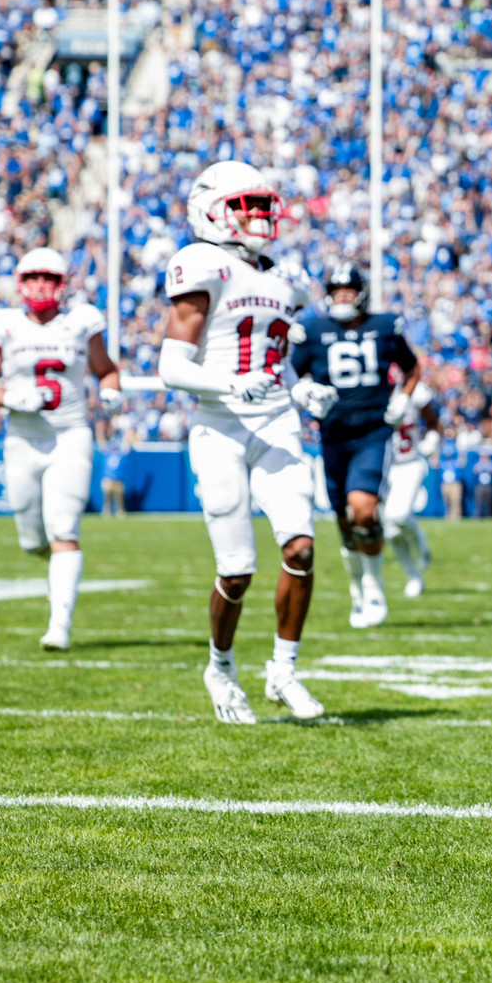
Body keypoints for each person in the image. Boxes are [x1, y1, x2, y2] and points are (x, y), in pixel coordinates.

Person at [158, 160, 325, 724]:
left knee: (301, 548)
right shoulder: (201, 263)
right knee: (236, 569)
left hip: (277, 421)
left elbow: (276, 365)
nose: (258, 215)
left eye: (261, 204)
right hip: (220, 424)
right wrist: (232, 383)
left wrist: (301, 392)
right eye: (244, 205)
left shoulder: (284, 278)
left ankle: (284, 668)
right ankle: (220, 666)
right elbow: (171, 366)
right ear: (211, 208)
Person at [0, 248, 122, 650]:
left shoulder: (80, 322)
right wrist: (10, 399)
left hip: (71, 435)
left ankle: (59, 627)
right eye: (34, 278)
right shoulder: (2, 324)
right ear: (21, 284)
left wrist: (111, 394)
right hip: (23, 439)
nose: (41, 286)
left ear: (63, 285)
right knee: (31, 538)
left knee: (64, 530)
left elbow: (106, 370)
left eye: (50, 279)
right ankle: (50, 559)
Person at [287, 261, 419, 629]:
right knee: (345, 523)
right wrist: (305, 395)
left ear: (361, 293)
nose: (342, 297)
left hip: (372, 433)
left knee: (363, 510)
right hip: (332, 436)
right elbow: (290, 373)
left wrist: (402, 398)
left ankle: (375, 588)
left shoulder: (384, 326)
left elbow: (412, 366)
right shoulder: (311, 329)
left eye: (348, 291)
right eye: (336, 292)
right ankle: (358, 587)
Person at [383, 385, 441, 597]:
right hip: (379, 466)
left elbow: (433, 420)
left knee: (397, 515)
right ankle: (413, 576)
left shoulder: (415, 392)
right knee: (390, 531)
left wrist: (432, 438)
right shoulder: (369, 390)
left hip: (409, 463)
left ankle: (419, 538)